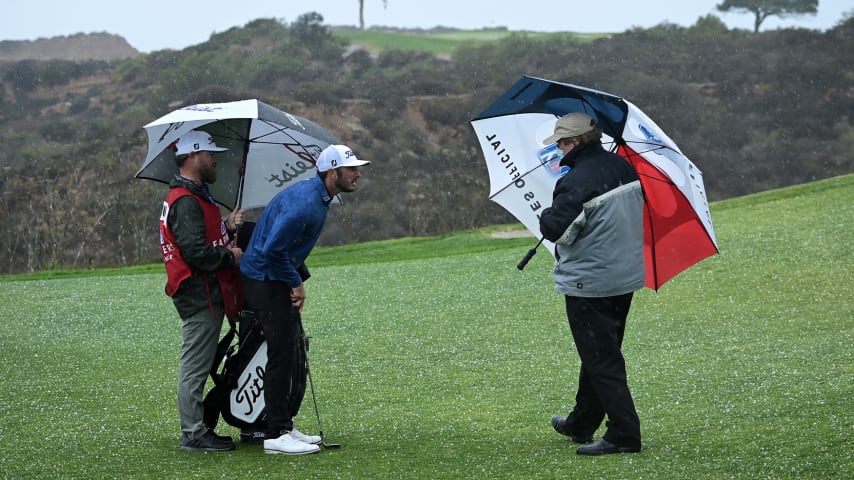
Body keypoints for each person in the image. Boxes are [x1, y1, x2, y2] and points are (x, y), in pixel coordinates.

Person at [239, 144, 369, 455]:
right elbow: (274, 251)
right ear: (332, 172)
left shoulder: (318, 196)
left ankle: (284, 425)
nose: (358, 174)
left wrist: (294, 278)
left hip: (272, 275)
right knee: (282, 354)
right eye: (352, 169)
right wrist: (296, 283)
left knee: (289, 350)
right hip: (264, 278)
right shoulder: (306, 204)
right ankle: (274, 434)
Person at [538, 112, 645, 456]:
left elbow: (558, 230)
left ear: (573, 143)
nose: (557, 149)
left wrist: (545, 215)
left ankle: (624, 435)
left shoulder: (575, 180)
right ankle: (582, 423)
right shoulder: (622, 167)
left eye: (560, 143)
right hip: (624, 277)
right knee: (599, 352)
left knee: (602, 359)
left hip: (590, 282)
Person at [159, 129, 245, 452]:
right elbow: (196, 252)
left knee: (197, 364)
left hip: (201, 293)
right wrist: (230, 255)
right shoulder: (186, 201)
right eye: (210, 153)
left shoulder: (191, 196)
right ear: (193, 155)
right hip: (199, 295)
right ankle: (193, 433)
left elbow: (202, 237)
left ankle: (196, 429)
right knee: (194, 367)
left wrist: (227, 226)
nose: (215, 159)